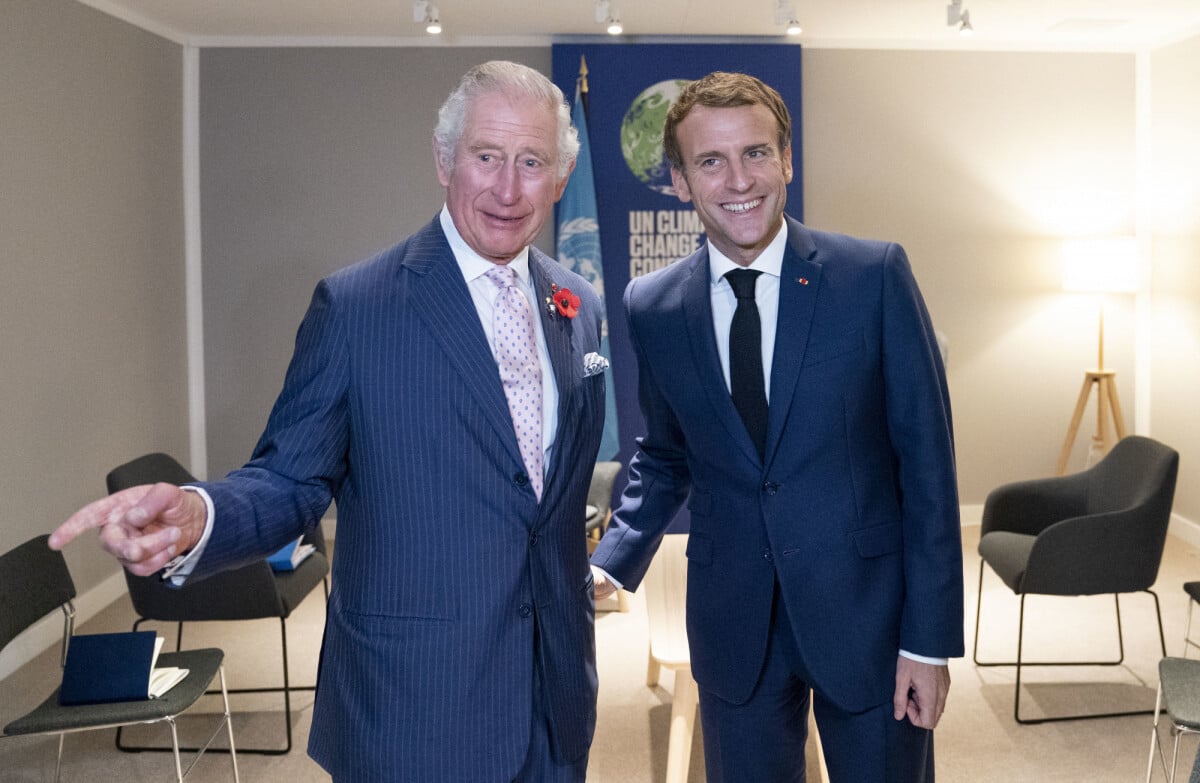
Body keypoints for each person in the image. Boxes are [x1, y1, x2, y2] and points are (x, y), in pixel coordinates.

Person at [50, 60, 608, 783]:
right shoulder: (357, 308)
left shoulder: (577, 303)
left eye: (531, 162)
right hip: (413, 709)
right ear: (444, 160)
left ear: (560, 178)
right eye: (486, 157)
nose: (508, 188)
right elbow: (290, 479)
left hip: (555, 697)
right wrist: (198, 514)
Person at [590, 71, 963, 782]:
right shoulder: (653, 305)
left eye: (757, 153)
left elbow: (928, 468)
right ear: (679, 180)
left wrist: (929, 640)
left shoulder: (873, 276)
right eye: (711, 161)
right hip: (735, 623)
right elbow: (668, 454)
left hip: (871, 621)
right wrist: (611, 558)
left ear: (788, 160)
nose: (739, 179)